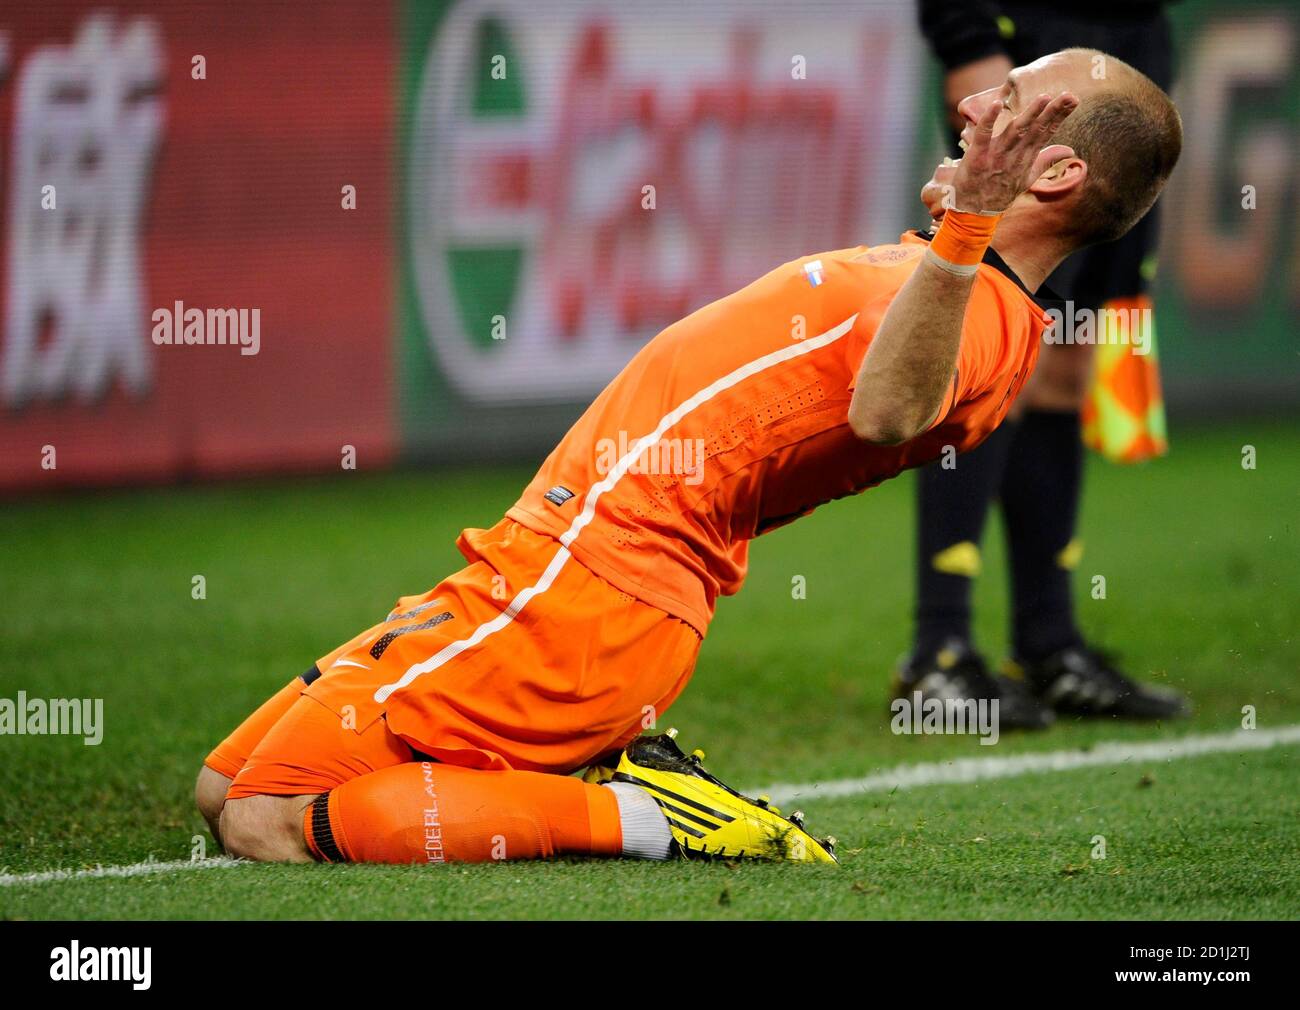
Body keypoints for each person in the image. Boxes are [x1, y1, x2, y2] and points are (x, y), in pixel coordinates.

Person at [196, 48, 1180, 866]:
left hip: (585, 596)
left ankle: (641, 815)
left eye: (1005, 106)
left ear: (1049, 175)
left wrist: (965, 222)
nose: (969, 104)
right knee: (221, 785)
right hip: (563, 573)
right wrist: (955, 229)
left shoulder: (983, 311)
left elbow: (890, 410)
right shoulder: (956, 283)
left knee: (265, 818)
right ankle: (597, 784)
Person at [900, 1, 1190, 727]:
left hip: (1129, 53)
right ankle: (938, 653)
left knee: (1069, 351)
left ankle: (1049, 644)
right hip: (1026, 45)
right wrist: (968, 40)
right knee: (993, 338)